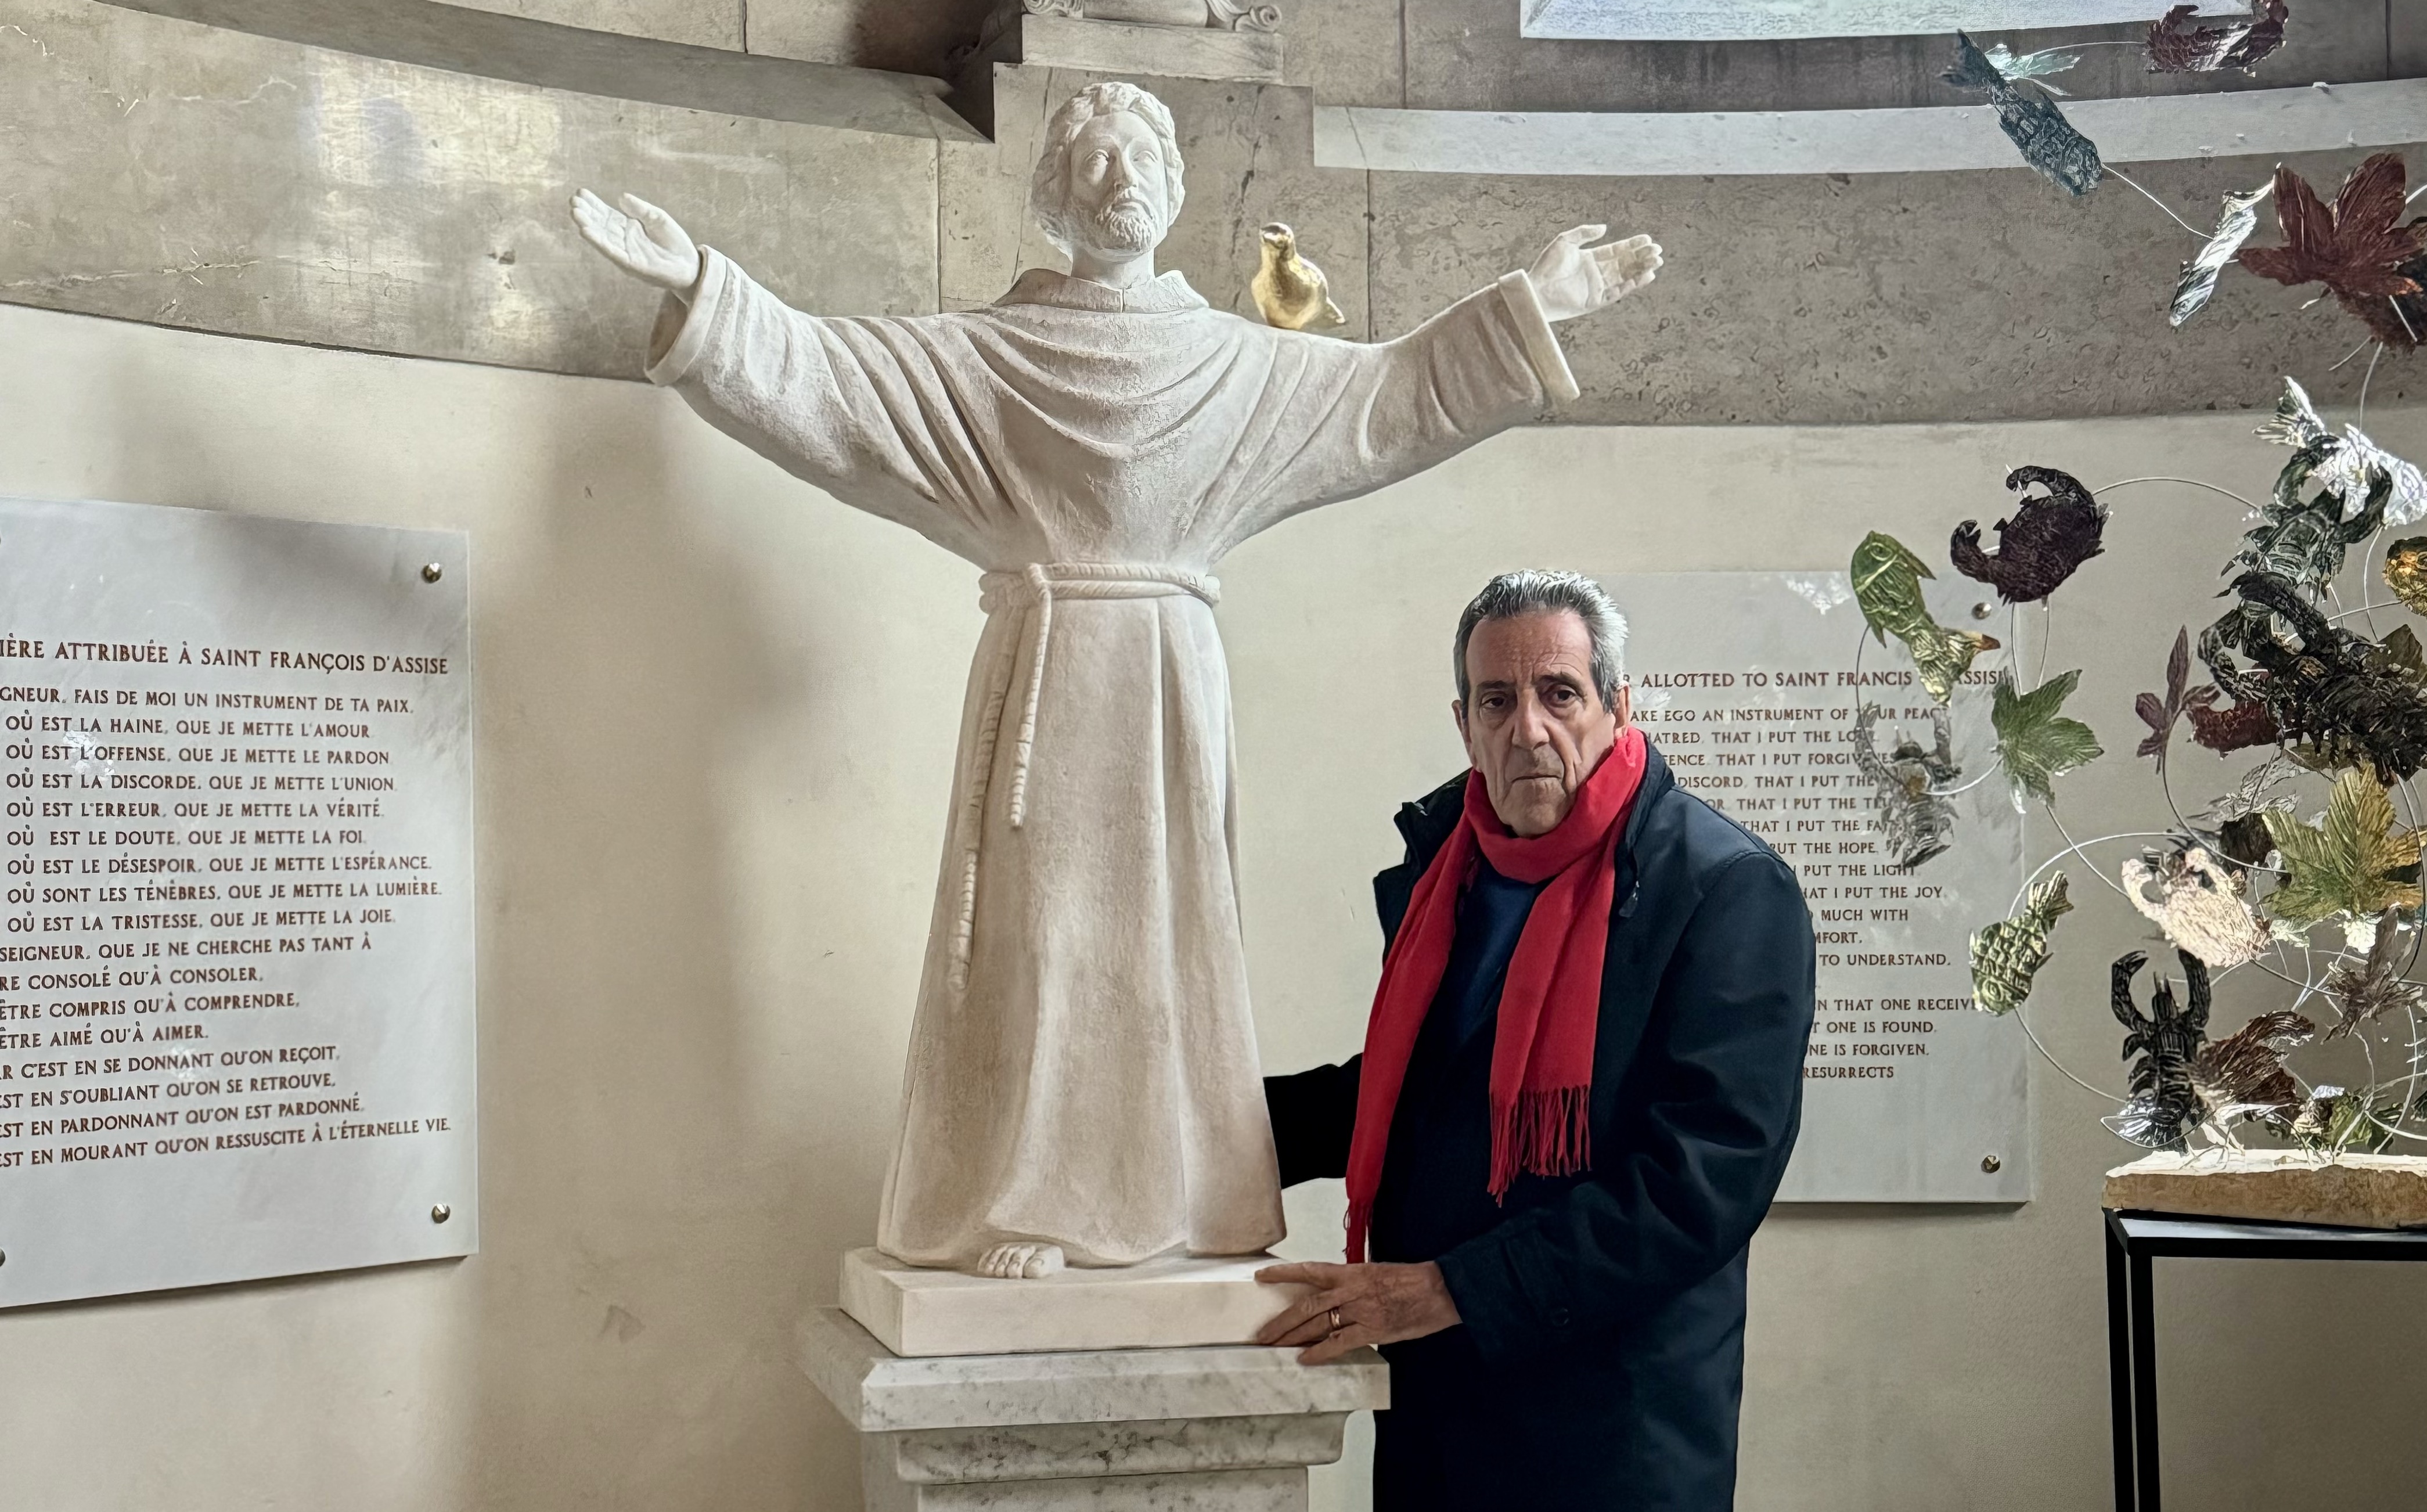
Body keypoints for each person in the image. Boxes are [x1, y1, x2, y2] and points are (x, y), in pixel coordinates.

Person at [568, 83, 1665, 1279]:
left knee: (1165, 942)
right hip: (1047, 676)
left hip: (1166, 689)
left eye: (1140, 152)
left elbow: (1384, 396)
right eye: (1090, 157)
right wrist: (708, 299)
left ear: (1177, 185)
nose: (1116, 177)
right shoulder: (990, 359)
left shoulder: (1230, 368)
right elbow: (834, 386)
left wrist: (1528, 308)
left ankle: (1181, 1193)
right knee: (1046, 938)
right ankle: (1034, 1198)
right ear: (1050, 197)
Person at [1257, 570, 1816, 1509]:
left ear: (1617, 706)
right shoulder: (1448, 873)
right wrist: (1195, 1130)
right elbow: (1421, 1093)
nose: (1529, 728)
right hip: (1440, 1409)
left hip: (1611, 1430)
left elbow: (1699, 1185)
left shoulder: (1725, 890)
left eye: (1560, 693)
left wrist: (1453, 1290)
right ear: (1464, 723)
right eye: (1497, 699)